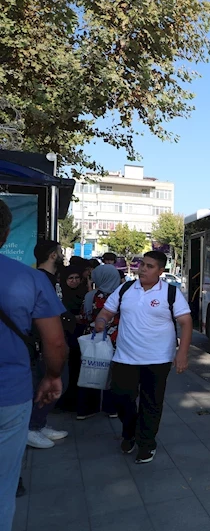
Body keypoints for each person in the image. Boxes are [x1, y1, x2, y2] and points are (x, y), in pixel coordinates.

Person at [0, 199, 67, 529]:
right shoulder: (30, 279)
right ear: (6, 233)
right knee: (3, 485)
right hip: (9, 395)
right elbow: (54, 342)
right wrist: (53, 376)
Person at [94, 251, 192, 464]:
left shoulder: (171, 293)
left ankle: (146, 443)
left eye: (149, 266)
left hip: (158, 359)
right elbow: (108, 311)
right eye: (142, 265)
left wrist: (182, 353)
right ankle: (129, 432)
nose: (143, 269)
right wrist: (101, 320)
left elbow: (185, 322)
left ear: (160, 271)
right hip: (125, 357)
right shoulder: (126, 288)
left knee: (151, 403)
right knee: (120, 397)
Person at [27, 240, 72, 449]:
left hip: (53, 341)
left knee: (57, 381)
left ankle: (39, 423)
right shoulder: (40, 279)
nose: (63, 255)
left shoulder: (53, 279)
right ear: (53, 255)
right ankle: (31, 427)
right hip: (43, 344)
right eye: (60, 252)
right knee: (49, 382)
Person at [77, 264, 122, 420]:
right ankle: (111, 408)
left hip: (94, 339)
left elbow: (85, 317)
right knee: (113, 375)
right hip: (115, 340)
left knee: (92, 369)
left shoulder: (90, 296)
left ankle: (86, 409)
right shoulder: (121, 296)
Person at [55, 266, 87, 413]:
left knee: (77, 369)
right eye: (70, 278)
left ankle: (75, 401)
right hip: (66, 336)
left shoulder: (84, 294)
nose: (74, 281)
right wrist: (73, 319)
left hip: (80, 337)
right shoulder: (60, 296)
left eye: (77, 278)